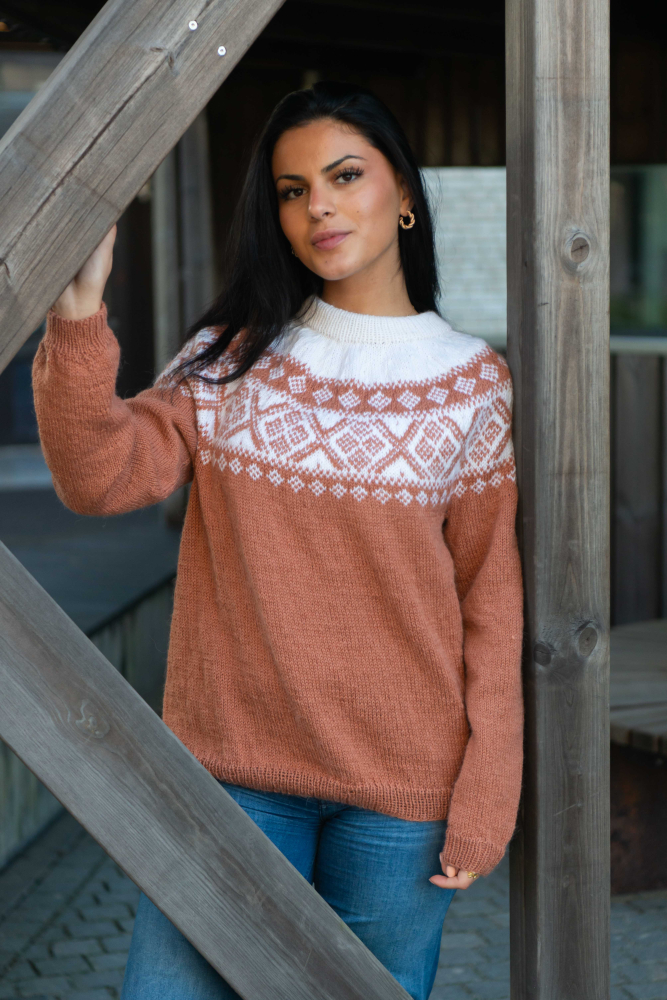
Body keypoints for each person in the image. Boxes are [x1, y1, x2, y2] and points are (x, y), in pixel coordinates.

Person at [33, 82, 524, 1000]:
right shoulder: (231, 360)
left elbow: (489, 601)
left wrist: (487, 790)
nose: (318, 207)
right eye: (293, 191)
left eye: (344, 176)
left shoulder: (468, 385)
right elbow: (97, 478)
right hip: (230, 777)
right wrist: (79, 315)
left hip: (399, 795)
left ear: (403, 191)